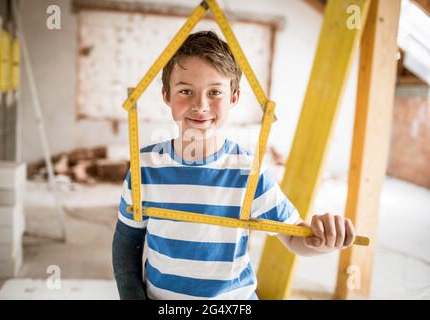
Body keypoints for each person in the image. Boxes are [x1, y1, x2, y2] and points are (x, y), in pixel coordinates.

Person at [112, 30, 356, 300]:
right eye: (185, 91)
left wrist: (321, 239)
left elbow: (294, 236)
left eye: (215, 91)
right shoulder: (145, 168)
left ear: (234, 97)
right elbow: (127, 242)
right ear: (166, 95)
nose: (200, 105)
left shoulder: (249, 171)